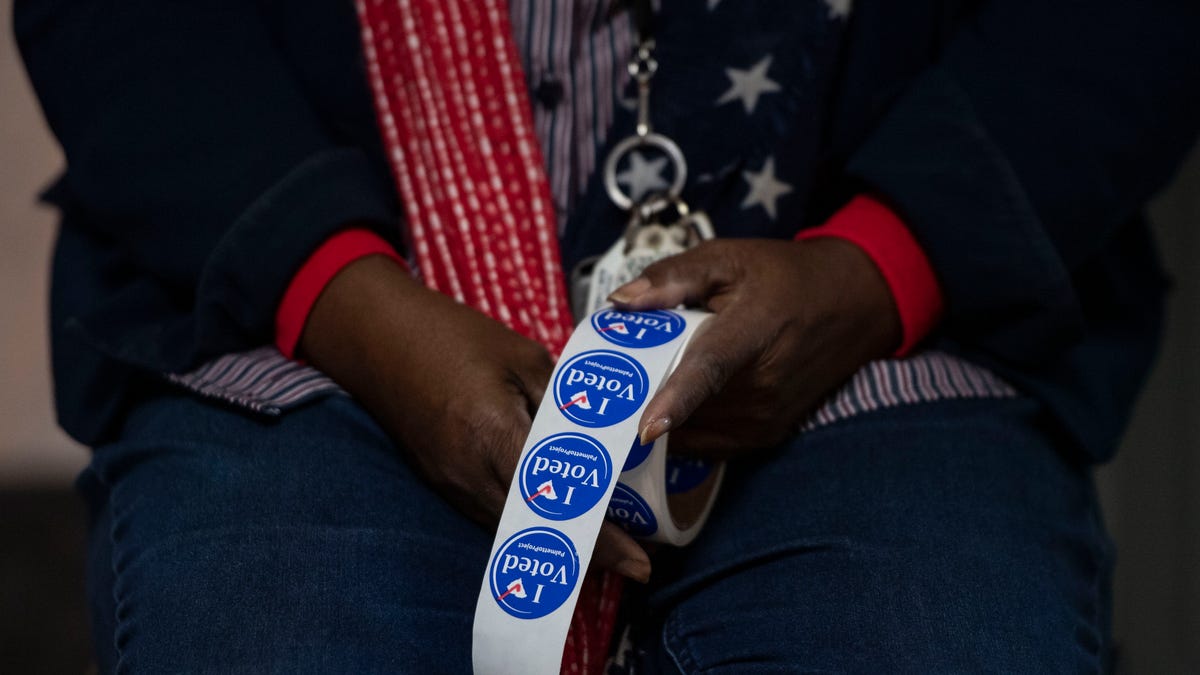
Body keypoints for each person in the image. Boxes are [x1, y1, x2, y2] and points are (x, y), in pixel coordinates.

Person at [15, 0, 1199, 672]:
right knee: (275, 628)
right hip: (322, 321)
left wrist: (877, 269)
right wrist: (349, 305)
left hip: (877, 312)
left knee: (927, 638)